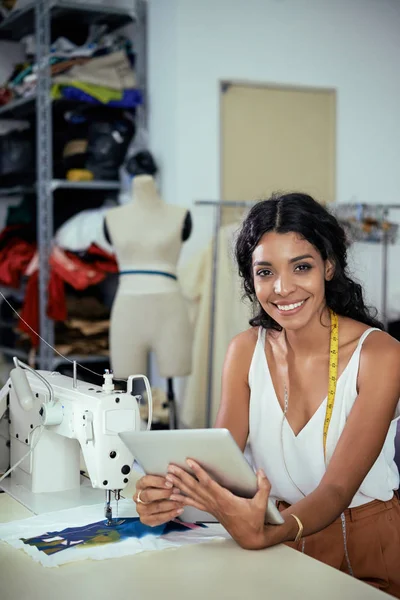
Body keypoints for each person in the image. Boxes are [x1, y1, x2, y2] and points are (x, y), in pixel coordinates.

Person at [133, 193, 400, 596]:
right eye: (265, 272)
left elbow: (336, 489)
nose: (282, 288)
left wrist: (269, 532)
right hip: (279, 536)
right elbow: (217, 464)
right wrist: (161, 494)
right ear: (250, 278)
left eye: (302, 267)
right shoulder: (245, 351)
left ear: (328, 266)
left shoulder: (380, 354)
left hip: (362, 545)